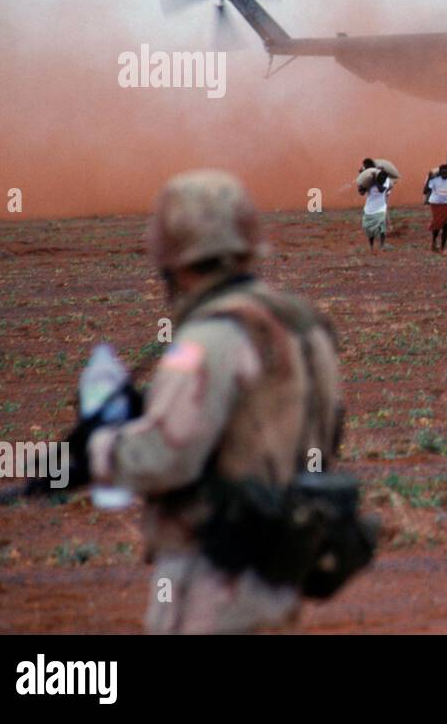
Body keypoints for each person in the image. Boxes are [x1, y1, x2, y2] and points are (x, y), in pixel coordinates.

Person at [86, 170, 345, 634]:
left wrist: (96, 451)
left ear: (172, 253)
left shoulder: (208, 339)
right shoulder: (305, 325)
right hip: (279, 570)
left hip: (211, 576)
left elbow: (167, 456)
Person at [359, 159, 393, 252]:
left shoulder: (384, 180)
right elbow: (361, 192)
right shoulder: (369, 181)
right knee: (369, 229)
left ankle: (382, 245)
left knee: (382, 228)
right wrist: (361, 181)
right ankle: (372, 247)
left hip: (380, 207)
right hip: (369, 208)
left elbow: (382, 190)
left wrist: (375, 181)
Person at [425, 163, 447, 253]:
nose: (444, 174)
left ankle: (442, 247)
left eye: (446, 172)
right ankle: (433, 241)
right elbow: (425, 191)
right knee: (437, 224)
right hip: (435, 204)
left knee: (446, 225)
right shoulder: (434, 179)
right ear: (439, 172)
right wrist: (429, 178)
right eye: (442, 172)